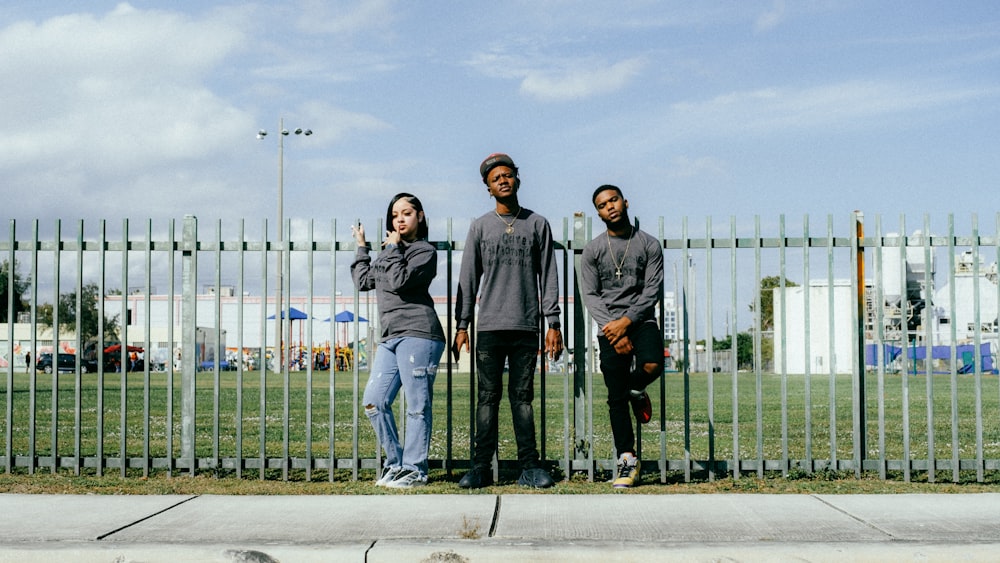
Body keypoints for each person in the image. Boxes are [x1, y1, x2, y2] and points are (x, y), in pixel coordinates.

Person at [453, 153, 563, 489]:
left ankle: (529, 467)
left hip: (526, 326)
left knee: (522, 397)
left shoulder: (537, 224)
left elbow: (549, 276)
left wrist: (553, 323)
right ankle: (481, 467)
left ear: (518, 178)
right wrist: (462, 325)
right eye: (495, 178)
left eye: (507, 175)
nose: (502, 180)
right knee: (487, 398)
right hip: (488, 327)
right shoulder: (481, 226)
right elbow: (468, 277)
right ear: (488, 188)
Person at [351, 192, 446, 488]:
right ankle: (395, 464)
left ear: (419, 217)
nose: (400, 219)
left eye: (406, 213)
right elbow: (363, 281)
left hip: (419, 334)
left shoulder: (424, 251)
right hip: (390, 337)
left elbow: (400, 280)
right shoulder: (389, 251)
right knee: (373, 402)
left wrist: (391, 249)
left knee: (417, 405)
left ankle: (415, 470)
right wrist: (363, 248)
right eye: (395, 215)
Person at [579, 184, 664, 488]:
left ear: (625, 202)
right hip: (608, 326)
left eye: (613, 200)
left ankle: (637, 388)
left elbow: (651, 289)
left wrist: (627, 322)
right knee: (615, 394)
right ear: (598, 212)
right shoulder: (593, 250)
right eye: (602, 205)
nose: (610, 207)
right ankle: (627, 460)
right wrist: (613, 329)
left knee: (654, 364)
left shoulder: (648, 244)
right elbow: (590, 294)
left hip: (640, 320)